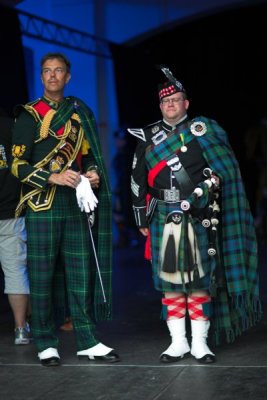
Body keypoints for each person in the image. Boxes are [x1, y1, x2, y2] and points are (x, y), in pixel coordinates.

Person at [128, 66, 262, 364]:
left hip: (199, 213)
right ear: (160, 105)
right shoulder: (148, 136)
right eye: (165, 102)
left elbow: (225, 169)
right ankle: (178, 343)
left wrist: (211, 183)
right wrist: (140, 218)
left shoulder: (206, 130)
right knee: (171, 282)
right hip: (162, 213)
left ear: (186, 103)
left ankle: (200, 343)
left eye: (175, 99)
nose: (170, 105)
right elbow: (137, 179)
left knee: (200, 281)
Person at [11, 52, 119, 366]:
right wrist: (53, 176)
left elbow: (87, 157)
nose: (53, 76)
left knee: (80, 274)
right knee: (42, 276)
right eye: (47, 71)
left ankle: (87, 339)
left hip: (75, 203)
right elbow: (17, 166)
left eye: (59, 71)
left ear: (68, 77)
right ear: (41, 76)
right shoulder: (28, 115)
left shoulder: (79, 112)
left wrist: (94, 173)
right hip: (42, 204)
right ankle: (46, 342)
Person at [0, 107, 31, 345]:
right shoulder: (13, 125)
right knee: (15, 270)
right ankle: (21, 328)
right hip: (10, 209)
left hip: (10, 210)